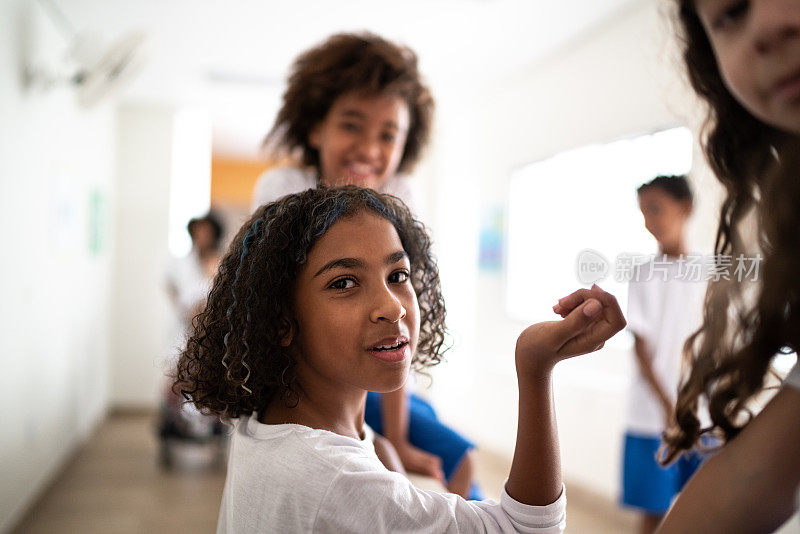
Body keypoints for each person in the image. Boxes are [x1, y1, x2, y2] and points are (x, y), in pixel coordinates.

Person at [174, 186, 627, 533]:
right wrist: (536, 369)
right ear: (280, 321)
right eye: (343, 283)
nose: (392, 306)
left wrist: (380, 451)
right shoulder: (331, 478)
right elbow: (529, 528)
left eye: (398, 274)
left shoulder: (265, 422)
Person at [251, 31, 483, 499]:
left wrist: (394, 438)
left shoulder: (401, 195)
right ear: (316, 127)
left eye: (388, 134)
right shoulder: (283, 189)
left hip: (385, 378)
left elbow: (396, 318)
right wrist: (381, 443)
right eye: (352, 125)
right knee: (442, 463)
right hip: (321, 382)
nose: (369, 149)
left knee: (456, 459)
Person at [650, 2, 800, 532]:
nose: (766, 27)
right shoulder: (643, 270)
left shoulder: (710, 265)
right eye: (731, 14)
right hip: (659, 414)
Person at [622, 175, 708, 533]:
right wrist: (668, 406)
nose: (649, 222)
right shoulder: (642, 274)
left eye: (656, 209)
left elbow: (716, 342)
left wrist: (691, 404)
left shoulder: (710, 271)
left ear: (685, 208)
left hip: (702, 415)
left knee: (703, 507)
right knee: (653, 511)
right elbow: (641, 348)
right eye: (643, 213)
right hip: (651, 418)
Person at [159, 212, 226, 468]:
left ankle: (212, 435)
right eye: (198, 231)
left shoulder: (218, 261)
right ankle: (172, 430)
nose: (202, 236)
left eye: (206, 231)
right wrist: (182, 309)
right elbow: (169, 284)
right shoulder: (180, 262)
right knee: (175, 381)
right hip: (182, 329)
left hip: (208, 332)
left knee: (210, 381)